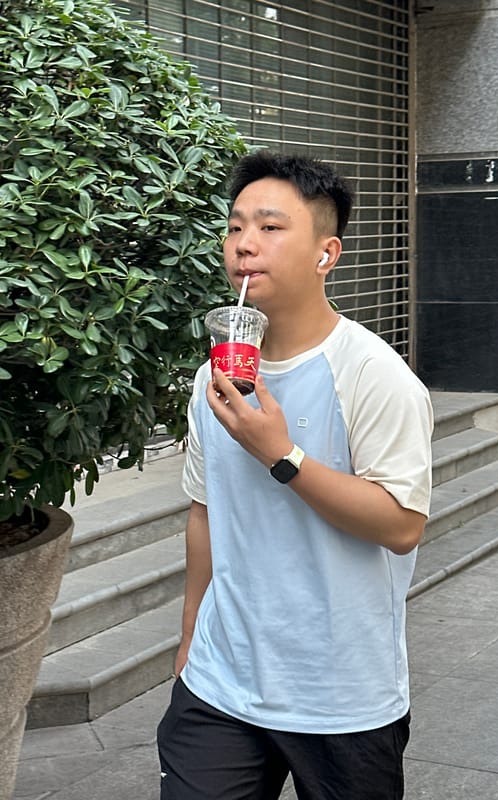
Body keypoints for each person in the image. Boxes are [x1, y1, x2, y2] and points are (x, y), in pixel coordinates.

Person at [157, 151, 434, 800]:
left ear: (325, 253)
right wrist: (191, 637)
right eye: (234, 227)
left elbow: (401, 525)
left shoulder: (374, 375)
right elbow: (205, 511)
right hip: (221, 684)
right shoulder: (213, 380)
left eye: (271, 227)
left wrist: (282, 454)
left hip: (341, 696)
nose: (245, 245)